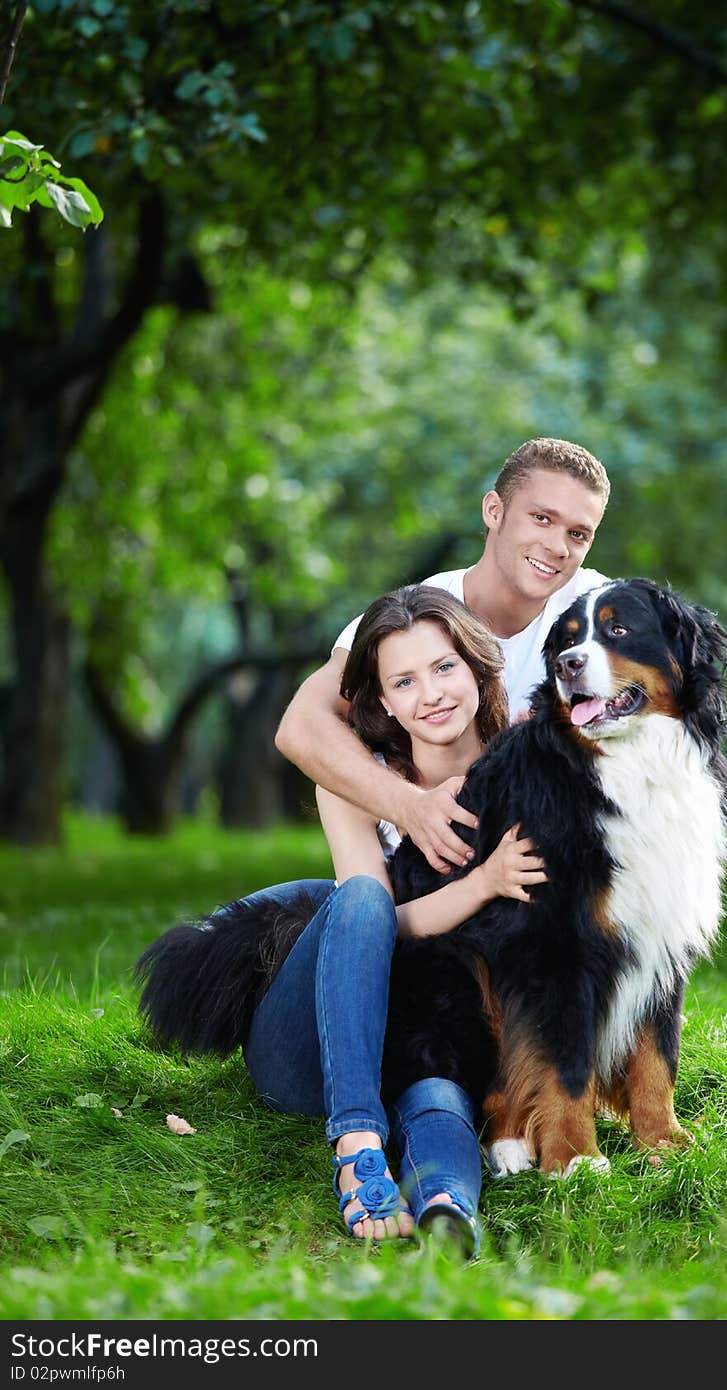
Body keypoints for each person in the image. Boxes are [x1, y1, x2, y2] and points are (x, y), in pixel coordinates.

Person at [136, 585, 548, 1257]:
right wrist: (483, 884)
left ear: (478, 668)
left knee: (440, 1094)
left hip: (434, 1029)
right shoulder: (354, 779)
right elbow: (376, 921)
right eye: (405, 681)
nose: (433, 694)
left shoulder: (527, 764)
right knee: (360, 899)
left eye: (444, 668)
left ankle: (448, 1206)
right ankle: (357, 1144)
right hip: (317, 1044)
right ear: (382, 701)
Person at [275, 437, 611, 876]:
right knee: (254, 928)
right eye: (542, 518)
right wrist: (410, 806)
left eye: (578, 534)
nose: (557, 546)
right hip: (414, 876)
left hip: (538, 870)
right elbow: (300, 726)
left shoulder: (598, 612)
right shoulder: (413, 618)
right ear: (495, 511)